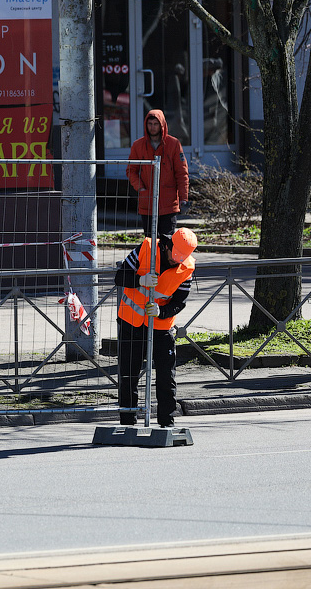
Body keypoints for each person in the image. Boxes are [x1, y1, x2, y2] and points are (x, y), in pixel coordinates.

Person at [115, 227, 197, 427]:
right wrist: (139, 280)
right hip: (131, 322)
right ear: (168, 245)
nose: (174, 261)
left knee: (166, 377)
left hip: (161, 326)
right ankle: (128, 422)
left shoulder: (186, 268)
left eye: (180, 259)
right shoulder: (146, 248)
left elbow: (179, 302)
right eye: (173, 256)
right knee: (128, 375)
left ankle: (167, 422)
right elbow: (119, 277)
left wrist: (162, 312)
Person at [126, 109, 190, 236]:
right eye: (150, 124)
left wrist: (183, 198)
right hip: (147, 203)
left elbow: (182, 173)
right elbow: (131, 170)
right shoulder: (138, 145)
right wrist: (140, 188)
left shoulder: (173, 144)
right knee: (150, 243)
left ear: (162, 125)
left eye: (156, 124)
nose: (153, 127)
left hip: (169, 203)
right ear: (146, 125)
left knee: (167, 244)